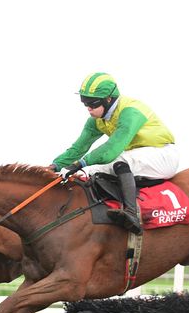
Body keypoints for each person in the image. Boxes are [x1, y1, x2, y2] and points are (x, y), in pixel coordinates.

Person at [50, 72, 179, 234]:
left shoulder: (131, 111)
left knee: (118, 161)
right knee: (90, 171)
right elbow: (78, 148)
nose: (88, 108)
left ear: (109, 99)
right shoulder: (96, 120)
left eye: (92, 103)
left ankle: (131, 213)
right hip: (139, 156)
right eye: (84, 102)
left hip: (162, 155)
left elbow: (113, 148)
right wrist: (54, 166)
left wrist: (78, 164)